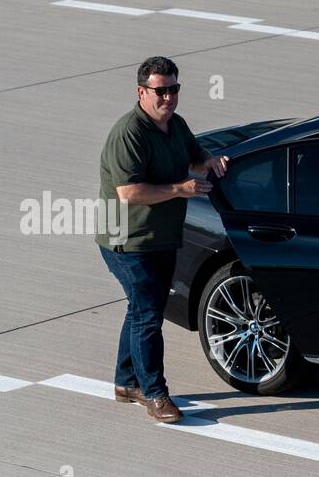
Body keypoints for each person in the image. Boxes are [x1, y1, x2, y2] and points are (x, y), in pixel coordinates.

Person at [96, 55, 228, 424]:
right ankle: (154, 393)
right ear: (141, 92)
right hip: (127, 241)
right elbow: (128, 192)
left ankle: (126, 382)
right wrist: (180, 188)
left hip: (162, 238)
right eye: (160, 91)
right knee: (148, 315)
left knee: (142, 310)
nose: (168, 97)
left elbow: (194, 153)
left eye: (173, 89)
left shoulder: (175, 124)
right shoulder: (130, 133)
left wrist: (209, 160)